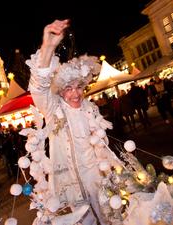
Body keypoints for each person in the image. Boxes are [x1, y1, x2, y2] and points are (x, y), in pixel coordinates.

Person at [25, 19, 122, 225]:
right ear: (60, 91)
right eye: (69, 89)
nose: (75, 94)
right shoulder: (53, 109)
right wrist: (48, 47)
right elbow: (38, 88)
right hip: (70, 183)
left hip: (97, 176)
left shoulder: (90, 109)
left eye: (79, 87)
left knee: (110, 217)